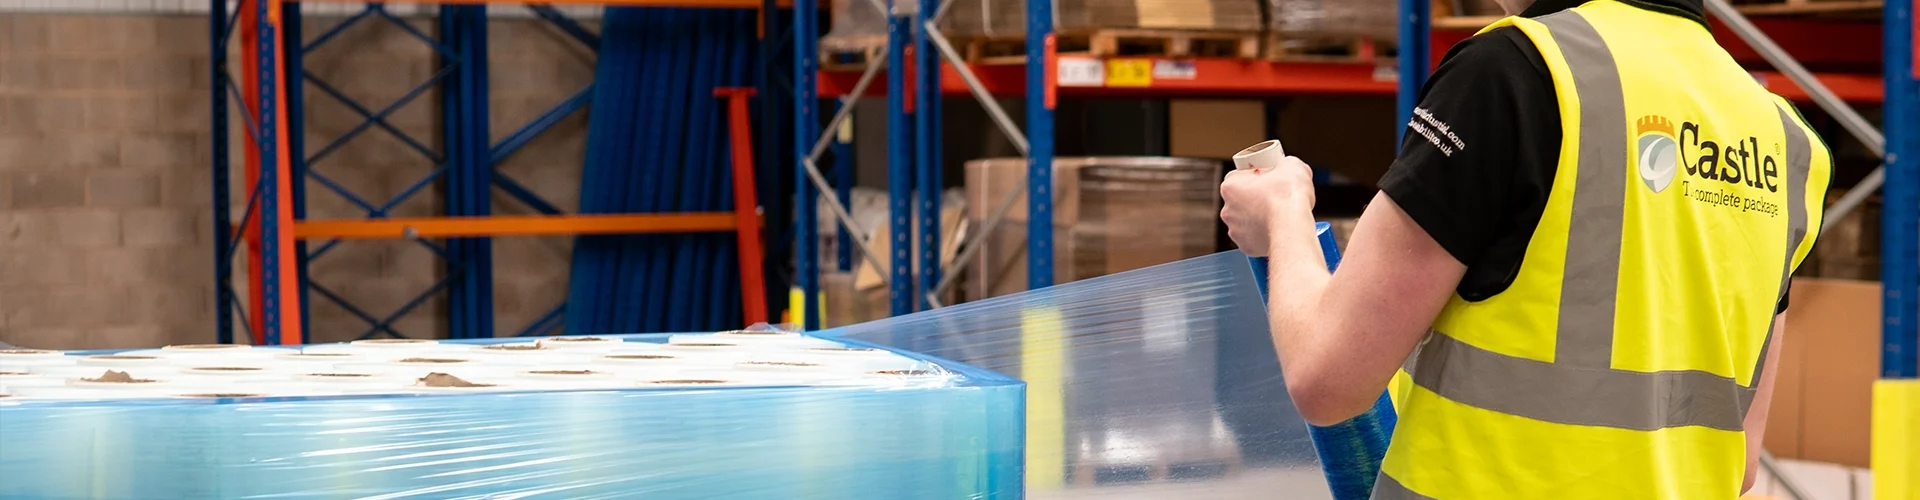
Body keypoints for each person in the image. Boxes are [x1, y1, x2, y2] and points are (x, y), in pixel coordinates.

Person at [1218, 0, 1833, 497]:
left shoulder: (1515, 72)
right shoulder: (1785, 138)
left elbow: (1328, 379)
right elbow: (1740, 459)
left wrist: (1282, 217)